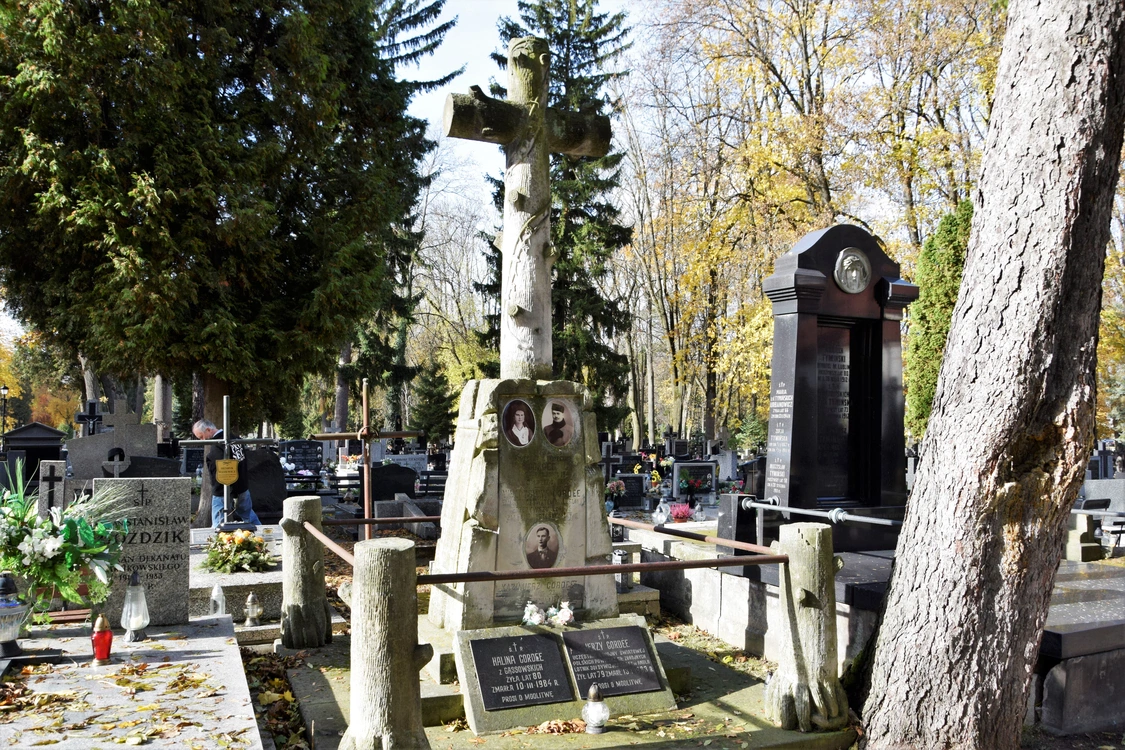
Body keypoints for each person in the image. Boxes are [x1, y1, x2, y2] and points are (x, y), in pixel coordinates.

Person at [194, 419, 260, 528]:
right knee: (247, 514)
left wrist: (217, 489)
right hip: (242, 484)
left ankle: (218, 537)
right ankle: (261, 531)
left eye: (202, 436)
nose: (203, 440)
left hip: (223, 487)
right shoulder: (234, 438)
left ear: (208, 430)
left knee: (218, 519)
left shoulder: (219, 443)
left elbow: (217, 467)